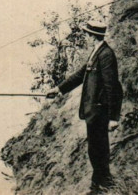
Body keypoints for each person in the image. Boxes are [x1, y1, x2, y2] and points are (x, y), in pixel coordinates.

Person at [46, 21, 123, 194]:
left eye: (86, 35)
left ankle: (103, 185)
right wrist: (58, 89)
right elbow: (80, 75)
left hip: (100, 111)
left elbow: (112, 87)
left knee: (99, 149)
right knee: (95, 149)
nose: (85, 38)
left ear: (91, 36)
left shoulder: (106, 55)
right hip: (93, 111)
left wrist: (113, 117)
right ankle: (99, 184)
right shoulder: (96, 53)